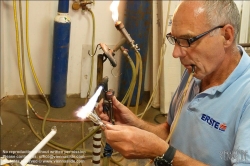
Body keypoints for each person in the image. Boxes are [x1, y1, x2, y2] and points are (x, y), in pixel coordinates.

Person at [96, 0, 250, 165]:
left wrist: (162, 153)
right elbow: (171, 132)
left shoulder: (245, 95)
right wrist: (134, 123)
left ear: (226, 36)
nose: (176, 53)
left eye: (187, 40)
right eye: (175, 40)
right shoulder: (195, 71)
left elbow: (166, 150)